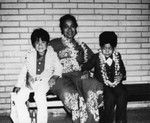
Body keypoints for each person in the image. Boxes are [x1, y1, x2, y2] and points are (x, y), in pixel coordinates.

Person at [49, 14, 103, 123]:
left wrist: (87, 70)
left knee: (93, 86)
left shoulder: (81, 46)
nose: (69, 29)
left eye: (72, 26)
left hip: (79, 76)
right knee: (71, 95)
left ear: (76, 28)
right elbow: (40, 60)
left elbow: (93, 61)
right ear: (61, 29)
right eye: (66, 26)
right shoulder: (53, 44)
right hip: (60, 78)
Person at [11, 28, 62, 123]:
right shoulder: (30, 54)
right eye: (37, 42)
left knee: (39, 97)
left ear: (47, 43)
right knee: (18, 99)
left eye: (43, 42)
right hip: (31, 81)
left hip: (44, 81)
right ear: (33, 44)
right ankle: (24, 121)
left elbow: (59, 68)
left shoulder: (52, 54)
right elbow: (24, 70)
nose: (40, 45)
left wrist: (54, 77)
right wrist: (18, 85)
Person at [82, 31, 128, 123]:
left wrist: (120, 76)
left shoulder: (117, 56)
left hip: (116, 83)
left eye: (109, 48)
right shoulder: (96, 57)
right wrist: (86, 71)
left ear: (114, 48)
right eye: (104, 48)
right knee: (110, 98)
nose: (107, 51)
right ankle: (107, 120)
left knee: (123, 94)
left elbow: (123, 71)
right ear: (101, 47)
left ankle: (121, 120)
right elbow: (85, 67)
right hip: (102, 85)